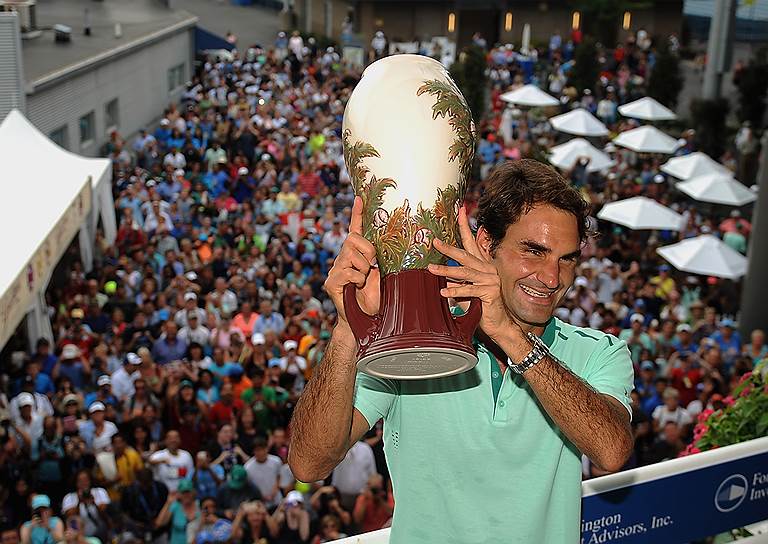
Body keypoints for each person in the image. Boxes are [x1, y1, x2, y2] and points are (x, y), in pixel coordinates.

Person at [289, 160, 634, 542]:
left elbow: (611, 451)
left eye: (566, 258)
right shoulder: (416, 341)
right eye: (533, 251)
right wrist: (347, 327)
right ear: (486, 244)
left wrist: (510, 335)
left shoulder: (599, 352)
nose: (553, 278)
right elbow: (309, 463)